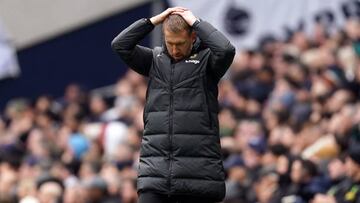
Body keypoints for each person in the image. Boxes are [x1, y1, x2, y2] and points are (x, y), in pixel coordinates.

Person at [111, 7, 235, 203]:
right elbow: (120, 44)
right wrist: (152, 21)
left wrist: (196, 22)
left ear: (193, 37)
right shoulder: (154, 60)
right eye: (170, 43)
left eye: (180, 43)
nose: (175, 49)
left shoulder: (207, 62)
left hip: (198, 177)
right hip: (155, 175)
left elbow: (226, 49)